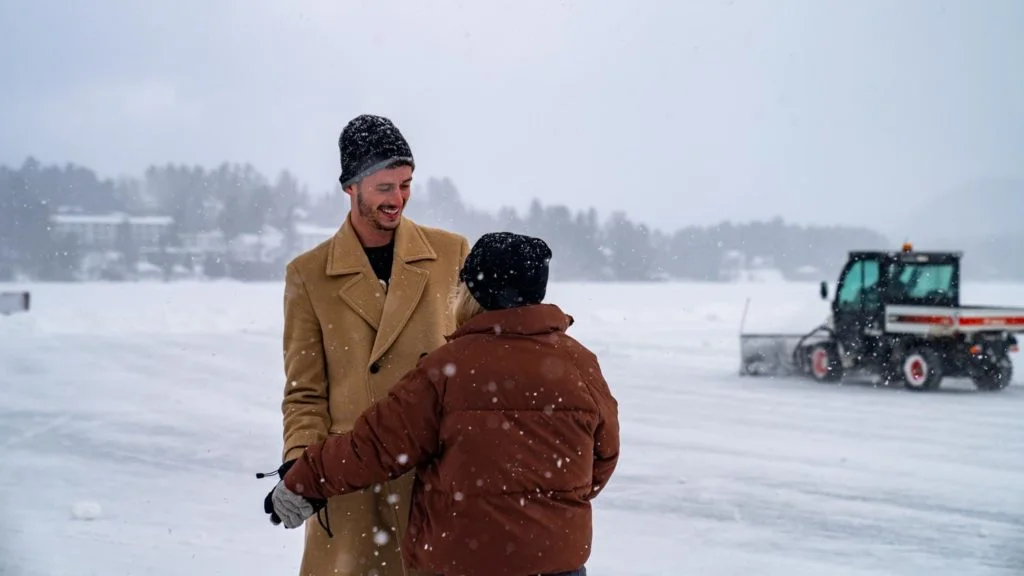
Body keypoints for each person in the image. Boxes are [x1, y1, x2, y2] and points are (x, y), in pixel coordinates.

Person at [265, 232, 620, 576]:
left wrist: (305, 478)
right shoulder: (580, 363)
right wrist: (550, 504)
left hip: (465, 560)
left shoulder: (447, 367)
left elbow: (374, 447)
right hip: (557, 561)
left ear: (471, 292)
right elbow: (603, 457)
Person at [267, 114, 470, 576]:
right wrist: (300, 464)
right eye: (384, 187)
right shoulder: (309, 274)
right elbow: (304, 392)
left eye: (406, 184)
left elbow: (475, 367)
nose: (397, 199)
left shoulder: (450, 254)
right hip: (349, 483)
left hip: (430, 478)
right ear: (351, 187)